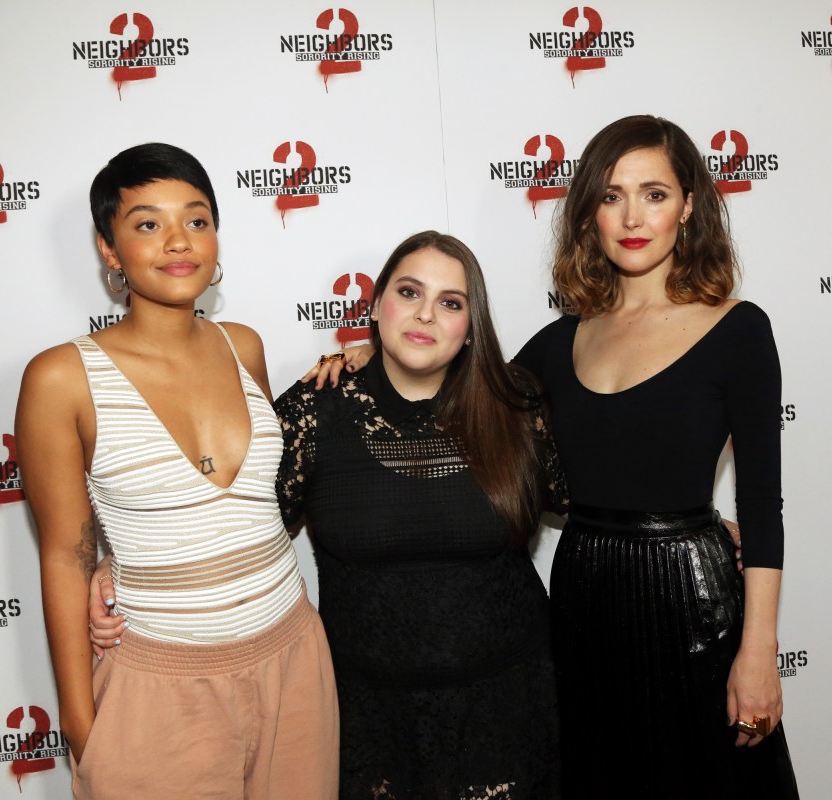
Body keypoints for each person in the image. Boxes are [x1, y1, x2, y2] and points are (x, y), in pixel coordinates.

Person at [308, 115, 798, 798]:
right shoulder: (557, 343)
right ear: (588, 213)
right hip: (583, 596)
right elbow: (459, 391)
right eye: (611, 195)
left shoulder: (738, 330)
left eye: (654, 194)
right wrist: (372, 355)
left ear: (689, 207)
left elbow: (762, 502)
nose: (632, 216)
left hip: (692, 598)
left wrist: (758, 651)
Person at [93, 231, 567, 798]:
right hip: (366, 712)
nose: (425, 315)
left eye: (451, 302)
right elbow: (231, 517)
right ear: (374, 306)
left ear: (471, 327)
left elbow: (585, 500)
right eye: (409, 291)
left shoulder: (516, 405)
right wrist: (113, 564)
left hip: (508, 700)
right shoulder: (317, 409)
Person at [16, 143, 338, 800]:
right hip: (159, 692)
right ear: (109, 250)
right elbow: (62, 557)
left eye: (196, 219)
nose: (177, 241)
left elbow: (249, 502)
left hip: (295, 663)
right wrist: (83, 730)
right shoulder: (60, 378)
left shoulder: (243, 345)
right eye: (146, 224)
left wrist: (370, 357)